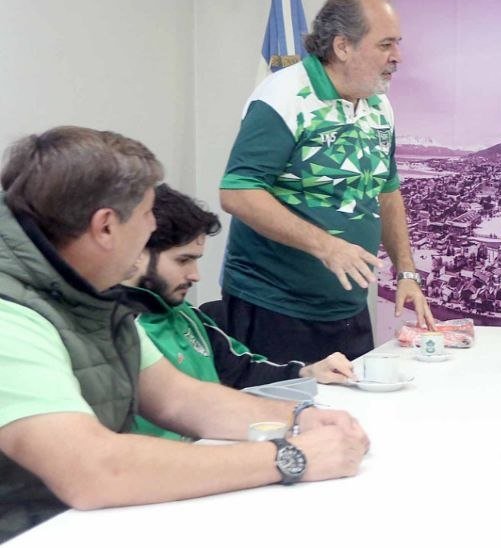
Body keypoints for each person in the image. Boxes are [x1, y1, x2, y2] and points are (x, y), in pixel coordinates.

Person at [0, 127, 369, 545]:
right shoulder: (11, 316)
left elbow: (177, 398)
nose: (152, 227)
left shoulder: (85, 294)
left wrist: (298, 418)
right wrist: (289, 457)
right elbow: (92, 469)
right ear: (105, 227)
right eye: (147, 214)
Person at [219, 0, 434, 363]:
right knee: (289, 402)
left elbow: (386, 191)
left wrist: (406, 272)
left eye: (397, 44)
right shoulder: (283, 97)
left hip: (347, 307)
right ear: (342, 46)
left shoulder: (379, 105)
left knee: (355, 400)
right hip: (274, 306)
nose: (398, 56)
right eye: (385, 44)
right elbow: (238, 192)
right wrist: (327, 246)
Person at [122, 185, 357, 441]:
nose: (195, 275)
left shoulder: (185, 314)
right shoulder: (116, 329)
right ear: (137, 252)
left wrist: (307, 372)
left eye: (196, 260)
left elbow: (241, 370)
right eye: (183, 260)